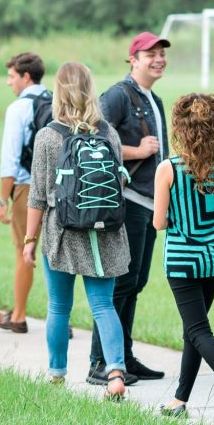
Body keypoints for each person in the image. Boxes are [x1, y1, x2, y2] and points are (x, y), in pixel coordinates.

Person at [22, 62, 130, 399]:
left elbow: (38, 196)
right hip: (106, 232)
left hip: (63, 232)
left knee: (58, 307)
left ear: (58, 92)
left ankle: (56, 376)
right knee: (103, 305)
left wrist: (29, 240)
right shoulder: (108, 132)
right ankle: (115, 374)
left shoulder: (48, 136)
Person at [153, 93, 214, 422]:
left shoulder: (168, 169)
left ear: (180, 128)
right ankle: (179, 400)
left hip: (182, 260)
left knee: (198, 332)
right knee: (194, 330)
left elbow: (159, 222)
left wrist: (180, 219)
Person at [89, 32, 169, 385]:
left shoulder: (154, 99)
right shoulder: (118, 96)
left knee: (136, 281)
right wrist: (137, 151)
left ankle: (124, 357)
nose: (158, 59)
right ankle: (100, 362)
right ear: (132, 59)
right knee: (121, 283)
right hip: (129, 201)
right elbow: (92, 140)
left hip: (151, 203)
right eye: (150, 53)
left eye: (162, 54)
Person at [0, 53, 48, 333]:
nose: (9, 82)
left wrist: (3, 200)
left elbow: (10, 162)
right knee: (56, 255)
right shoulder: (56, 101)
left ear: (26, 77)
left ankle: (18, 316)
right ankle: (60, 318)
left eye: (12, 76)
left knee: (23, 252)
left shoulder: (18, 109)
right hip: (60, 188)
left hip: (28, 188)